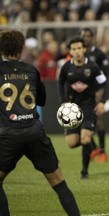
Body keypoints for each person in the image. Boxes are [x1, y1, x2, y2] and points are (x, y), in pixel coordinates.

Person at [0, 29, 80, 215]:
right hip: (34, 132)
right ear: (21, 49)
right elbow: (41, 101)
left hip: (9, 135)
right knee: (58, 182)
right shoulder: (31, 71)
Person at [58, 36, 107, 179]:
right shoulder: (66, 67)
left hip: (88, 106)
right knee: (72, 143)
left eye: (79, 48)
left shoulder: (92, 66)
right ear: (70, 51)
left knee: (84, 138)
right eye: (74, 49)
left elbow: (104, 83)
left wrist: (102, 101)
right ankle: (91, 145)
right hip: (72, 108)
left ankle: (84, 171)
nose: (77, 51)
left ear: (84, 49)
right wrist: (63, 101)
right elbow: (61, 83)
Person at [80, 28, 109, 163]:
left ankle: (102, 151)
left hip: (96, 92)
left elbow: (104, 78)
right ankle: (95, 148)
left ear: (92, 38)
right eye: (83, 36)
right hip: (82, 93)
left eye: (87, 36)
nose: (85, 38)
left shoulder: (99, 55)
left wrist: (102, 96)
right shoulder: (78, 53)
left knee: (99, 121)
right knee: (82, 121)